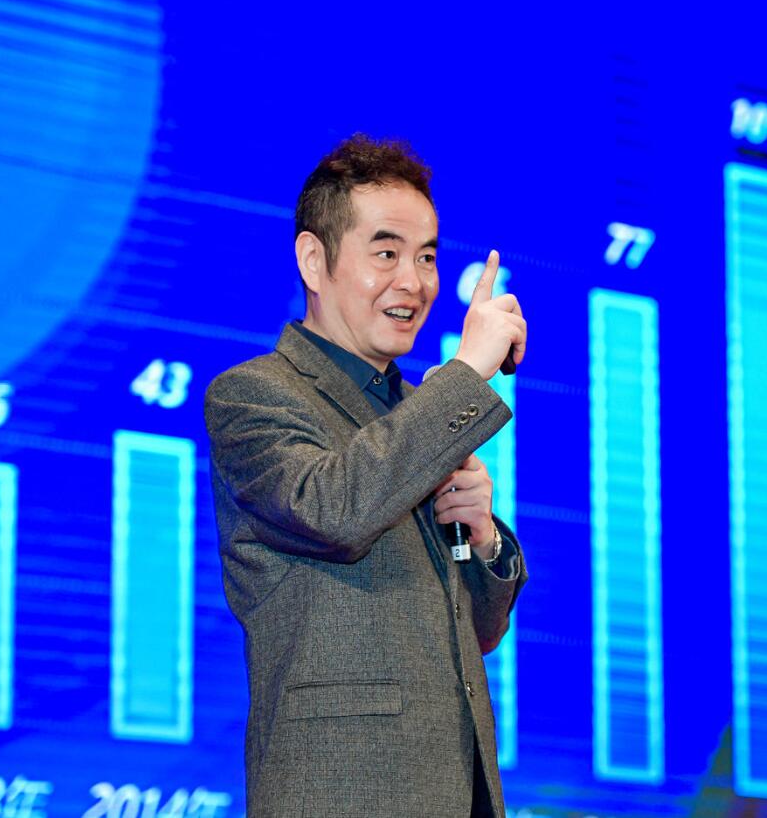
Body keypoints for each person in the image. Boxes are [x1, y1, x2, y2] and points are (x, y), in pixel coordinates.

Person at [204, 134, 527, 817]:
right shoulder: (254, 396)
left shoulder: (419, 414)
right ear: (313, 260)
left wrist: (482, 539)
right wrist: (468, 372)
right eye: (386, 253)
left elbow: (476, 633)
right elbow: (333, 511)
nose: (414, 282)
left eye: (427, 257)